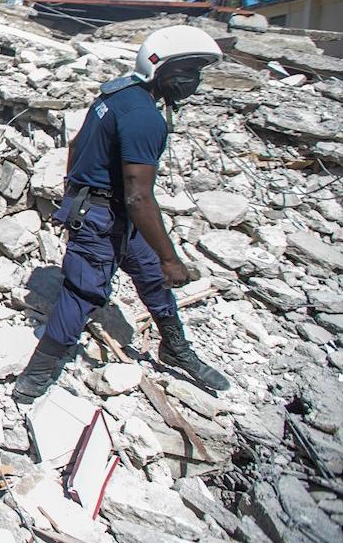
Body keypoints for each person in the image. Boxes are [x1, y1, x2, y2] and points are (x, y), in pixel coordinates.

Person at [13, 25, 229, 403]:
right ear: (157, 68)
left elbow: (78, 144)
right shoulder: (144, 116)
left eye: (196, 73)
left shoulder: (118, 95)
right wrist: (171, 257)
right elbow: (139, 196)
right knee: (83, 293)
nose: (191, 81)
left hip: (115, 214)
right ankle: (36, 374)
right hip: (104, 216)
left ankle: (174, 346)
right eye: (184, 72)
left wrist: (75, 189)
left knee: (151, 277)